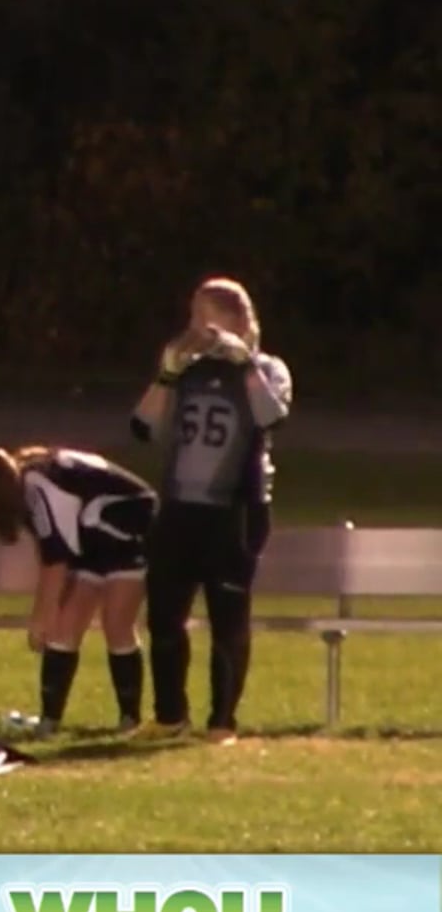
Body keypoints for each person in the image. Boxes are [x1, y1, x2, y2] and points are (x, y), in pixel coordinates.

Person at [129, 277, 292, 744]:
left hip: (234, 510)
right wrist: (165, 373)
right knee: (164, 614)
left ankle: (222, 721)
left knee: (227, 614)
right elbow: (143, 426)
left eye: (207, 315)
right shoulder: (189, 369)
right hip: (180, 506)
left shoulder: (267, 368)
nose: (197, 326)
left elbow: (272, 415)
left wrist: (244, 362)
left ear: (238, 319)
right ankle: (169, 715)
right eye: (194, 315)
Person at [0, 446, 156, 736]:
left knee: (117, 624)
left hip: (128, 525)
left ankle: (130, 718)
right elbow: (50, 549)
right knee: (64, 628)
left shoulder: (39, 483)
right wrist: (51, 612)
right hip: (93, 536)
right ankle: (50, 720)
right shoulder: (26, 480)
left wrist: (39, 620)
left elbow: (57, 562)